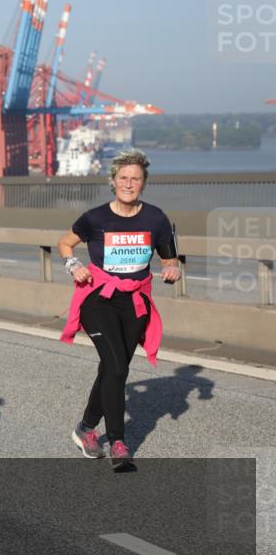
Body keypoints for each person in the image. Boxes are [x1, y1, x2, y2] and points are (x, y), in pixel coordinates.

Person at [59, 149, 180, 472]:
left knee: (112, 369)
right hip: (98, 299)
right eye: (123, 178)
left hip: (135, 303)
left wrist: (172, 269)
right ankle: (119, 443)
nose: (129, 183)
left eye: (135, 179)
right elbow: (65, 244)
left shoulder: (156, 219)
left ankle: (85, 428)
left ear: (144, 183)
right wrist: (74, 265)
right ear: (112, 181)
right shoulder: (94, 218)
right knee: (116, 368)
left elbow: (169, 259)